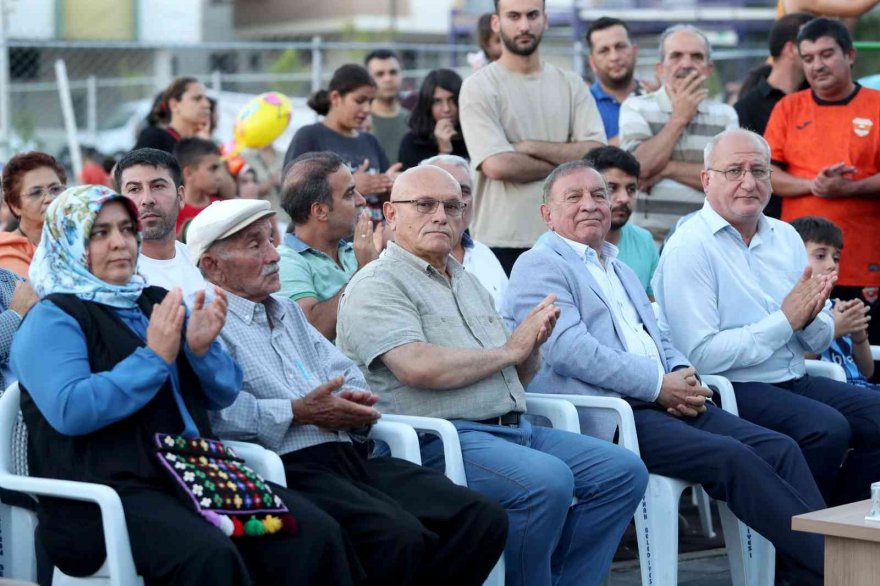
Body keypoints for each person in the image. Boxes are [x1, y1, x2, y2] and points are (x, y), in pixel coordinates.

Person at [11, 185, 355, 586]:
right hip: (107, 491)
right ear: (68, 242)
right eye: (99, 233)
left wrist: (200, 350)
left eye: (126, 228)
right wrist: (153, 358)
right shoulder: (51, 319)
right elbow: (71, 410)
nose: (121, 242)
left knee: (312, 534)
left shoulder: (150, 300)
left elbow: (223, 392)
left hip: (189, 473)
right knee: (209, 557)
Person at [505, 159, 826, 584]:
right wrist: (658, 385)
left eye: (599, 195)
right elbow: (570, 351)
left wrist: (679, 372)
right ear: (547, 213)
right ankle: (839, 570)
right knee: (733, 459)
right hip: (613, 412)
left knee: (779, 447)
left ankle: (813, 570)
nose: (591, 205)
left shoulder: (616, 265)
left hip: (665, 397)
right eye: (575, 197)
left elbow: (658, 334)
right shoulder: (540, 263)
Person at [336, 165, 648, 586]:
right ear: (391, 214)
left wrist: (532, 344)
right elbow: (416, 366)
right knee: (547, 482)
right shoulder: (377, 284)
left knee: (623, 471)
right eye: (425, 205)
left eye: (453, 206)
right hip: (438, 439)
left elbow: (515, 370)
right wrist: (510, 349)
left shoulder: (467, 280)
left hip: (512, 428)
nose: (441, 216)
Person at [186, 198, 508, 586]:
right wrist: (297, 411)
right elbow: (216, 416)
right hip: (288, 467)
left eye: (272, 240)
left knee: (481, 517)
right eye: (256, 245)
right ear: (211, 266)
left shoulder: (287, 311)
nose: (274, 255)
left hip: (350, 454)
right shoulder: (205, 322)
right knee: (398, 538)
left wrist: (351, 405)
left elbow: (348, 376)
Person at [654, 128, 880, 507]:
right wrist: (786, 321)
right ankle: (798, 553)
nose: (748, 182)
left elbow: (819, 337)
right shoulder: (689, 247)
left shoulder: (785, 236)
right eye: (734, 171)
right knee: (825, 430)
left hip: (793, 377)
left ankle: (835, 526)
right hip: (729, 387)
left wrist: (808, 318)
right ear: (706, 180)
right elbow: (702, 356)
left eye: (759, 171)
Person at [459, 0, 606, 274]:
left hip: (568, 237)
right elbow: (497, 165)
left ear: (545, 20)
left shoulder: (571, 84)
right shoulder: (478, 87)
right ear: (496, 23)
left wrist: (527, 147)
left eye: (532, 15)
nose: (524, 25)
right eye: (513, 16)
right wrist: (568, 166)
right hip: (502, 240)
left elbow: (596, 153)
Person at [764, 17, 880, 344]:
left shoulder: (876, 105)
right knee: (804, 356)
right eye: (809, 57)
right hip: (799, 267)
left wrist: (852, 188)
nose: (817, 65)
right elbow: (767, 175)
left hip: (864, 263)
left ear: (850, 55)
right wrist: (814, 186)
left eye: (827, 54)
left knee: (866, 359)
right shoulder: (788, 107)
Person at [619, 24, 739, 241]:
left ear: (708, 68)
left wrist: (666, 169)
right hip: (647, 242)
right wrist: (680, 117)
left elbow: (730, 181)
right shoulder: (635, 107)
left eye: (696, 56)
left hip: (707, 242)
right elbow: (638, 169)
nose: (686, 64)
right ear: (660, 68)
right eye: (676, 56)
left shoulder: (726, 115)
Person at [276, 152, 383, 339]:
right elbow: (312, 330)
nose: (361, 200)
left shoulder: (352, 252)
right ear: (320, 211)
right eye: (349, 194)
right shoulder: (285, 262)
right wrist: (364, 271)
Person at [283, 64, 401, 223]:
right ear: (335, 98)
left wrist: (390, 184)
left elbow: (386, 198)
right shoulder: (310, 136)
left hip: (374, 238)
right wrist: (350, 187)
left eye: (370, 101)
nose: (367, 109)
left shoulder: (369, 140)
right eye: (359, 100)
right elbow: (291, 194)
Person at [734, 12, 813, 219]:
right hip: (769, 220)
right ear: (791, 49)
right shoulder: (747, 107)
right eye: (811, 43)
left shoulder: (818, 100)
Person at [791, 216, 877, 389]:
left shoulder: (837, 307)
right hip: (825, 396)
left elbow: (868, 371)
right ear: (792, 256)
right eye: (821, 255)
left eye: (836, 258)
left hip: (862, 390)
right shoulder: (792, 309)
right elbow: (793, 364)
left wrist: (859, 336)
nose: (831, 265)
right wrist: (834, 330)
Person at [114, 148, 207, 299]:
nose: (147, 199)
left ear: (181, 197)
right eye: (134, 189)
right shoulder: (116, 276)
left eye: (158, 186)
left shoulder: (202, 262)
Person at [419, 154, 508, 311]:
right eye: (443, 190)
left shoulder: (484, 254)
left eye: (464, 191)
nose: (455, 200)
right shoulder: (404, 260)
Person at [586, 145, 659, 298]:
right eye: (612, 188)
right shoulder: (556, 247)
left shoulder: (644, 240)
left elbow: (652, 305)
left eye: (631, 189)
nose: (625, 198)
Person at [0, 151, 67, 277]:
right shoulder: (6, 252)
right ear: (15, 206)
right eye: (36, 193)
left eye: (55, 189)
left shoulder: (79, 237)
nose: (49, 198)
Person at [586, 17, 645, 146]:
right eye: (604, 51)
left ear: (635, 52)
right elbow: (581, 159)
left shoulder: (654, 98)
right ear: (592, 62)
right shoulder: (583, 105)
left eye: (620, 47)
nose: (614, 57)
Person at [397, 69, 469, 170]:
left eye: (452, 100)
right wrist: (444, 152)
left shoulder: (472, 136)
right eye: (437, 101)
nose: (446, 109)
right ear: (428, 105)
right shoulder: (412, 143)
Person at [133, 77, 211, 153]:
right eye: (197, 98)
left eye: (206, 99)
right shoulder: (154, 139)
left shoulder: (200, 141)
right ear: (174, 105)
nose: (207, 104)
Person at [365, 50, 410, 166]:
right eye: (380, 74)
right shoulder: (360, 121)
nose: (388, 79)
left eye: (393, 72)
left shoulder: (414, 120)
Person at [173, 137, 224, 235]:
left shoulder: (222, 207)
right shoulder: (172, 214)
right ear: (188, 173)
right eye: (213, 169)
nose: (220, 177)